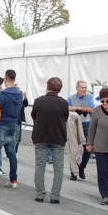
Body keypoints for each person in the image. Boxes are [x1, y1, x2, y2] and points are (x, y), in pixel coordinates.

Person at [31, 76, 69, 204]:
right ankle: (55, 196)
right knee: (58, 168)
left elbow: (34, 116)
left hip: (40, 136)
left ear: (47, 86)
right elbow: (65, 118)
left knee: (40, 166)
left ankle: (40, 194)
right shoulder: (63, 103)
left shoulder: (38, 101)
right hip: (58, 137)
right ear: (60, 89)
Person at [0, 69, 24, 189]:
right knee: (12, 153)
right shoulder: (20, 94)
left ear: (5, 79)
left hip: (2, 123)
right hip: (14, 124)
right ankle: (13, 179)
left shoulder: (3, 94)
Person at [68, 80, 94, 180]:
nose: (84, 89)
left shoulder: (90, 97)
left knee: (88, 148)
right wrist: (83, 108)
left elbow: (91, 109)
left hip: (87, 125)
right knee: (74, 149)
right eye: (82, 87)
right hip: (74, 126)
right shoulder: (71, 98)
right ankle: (73, 172)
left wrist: (76, 107)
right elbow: (66, 108)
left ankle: (81, 167)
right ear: (77, 88)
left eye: (85, 87)